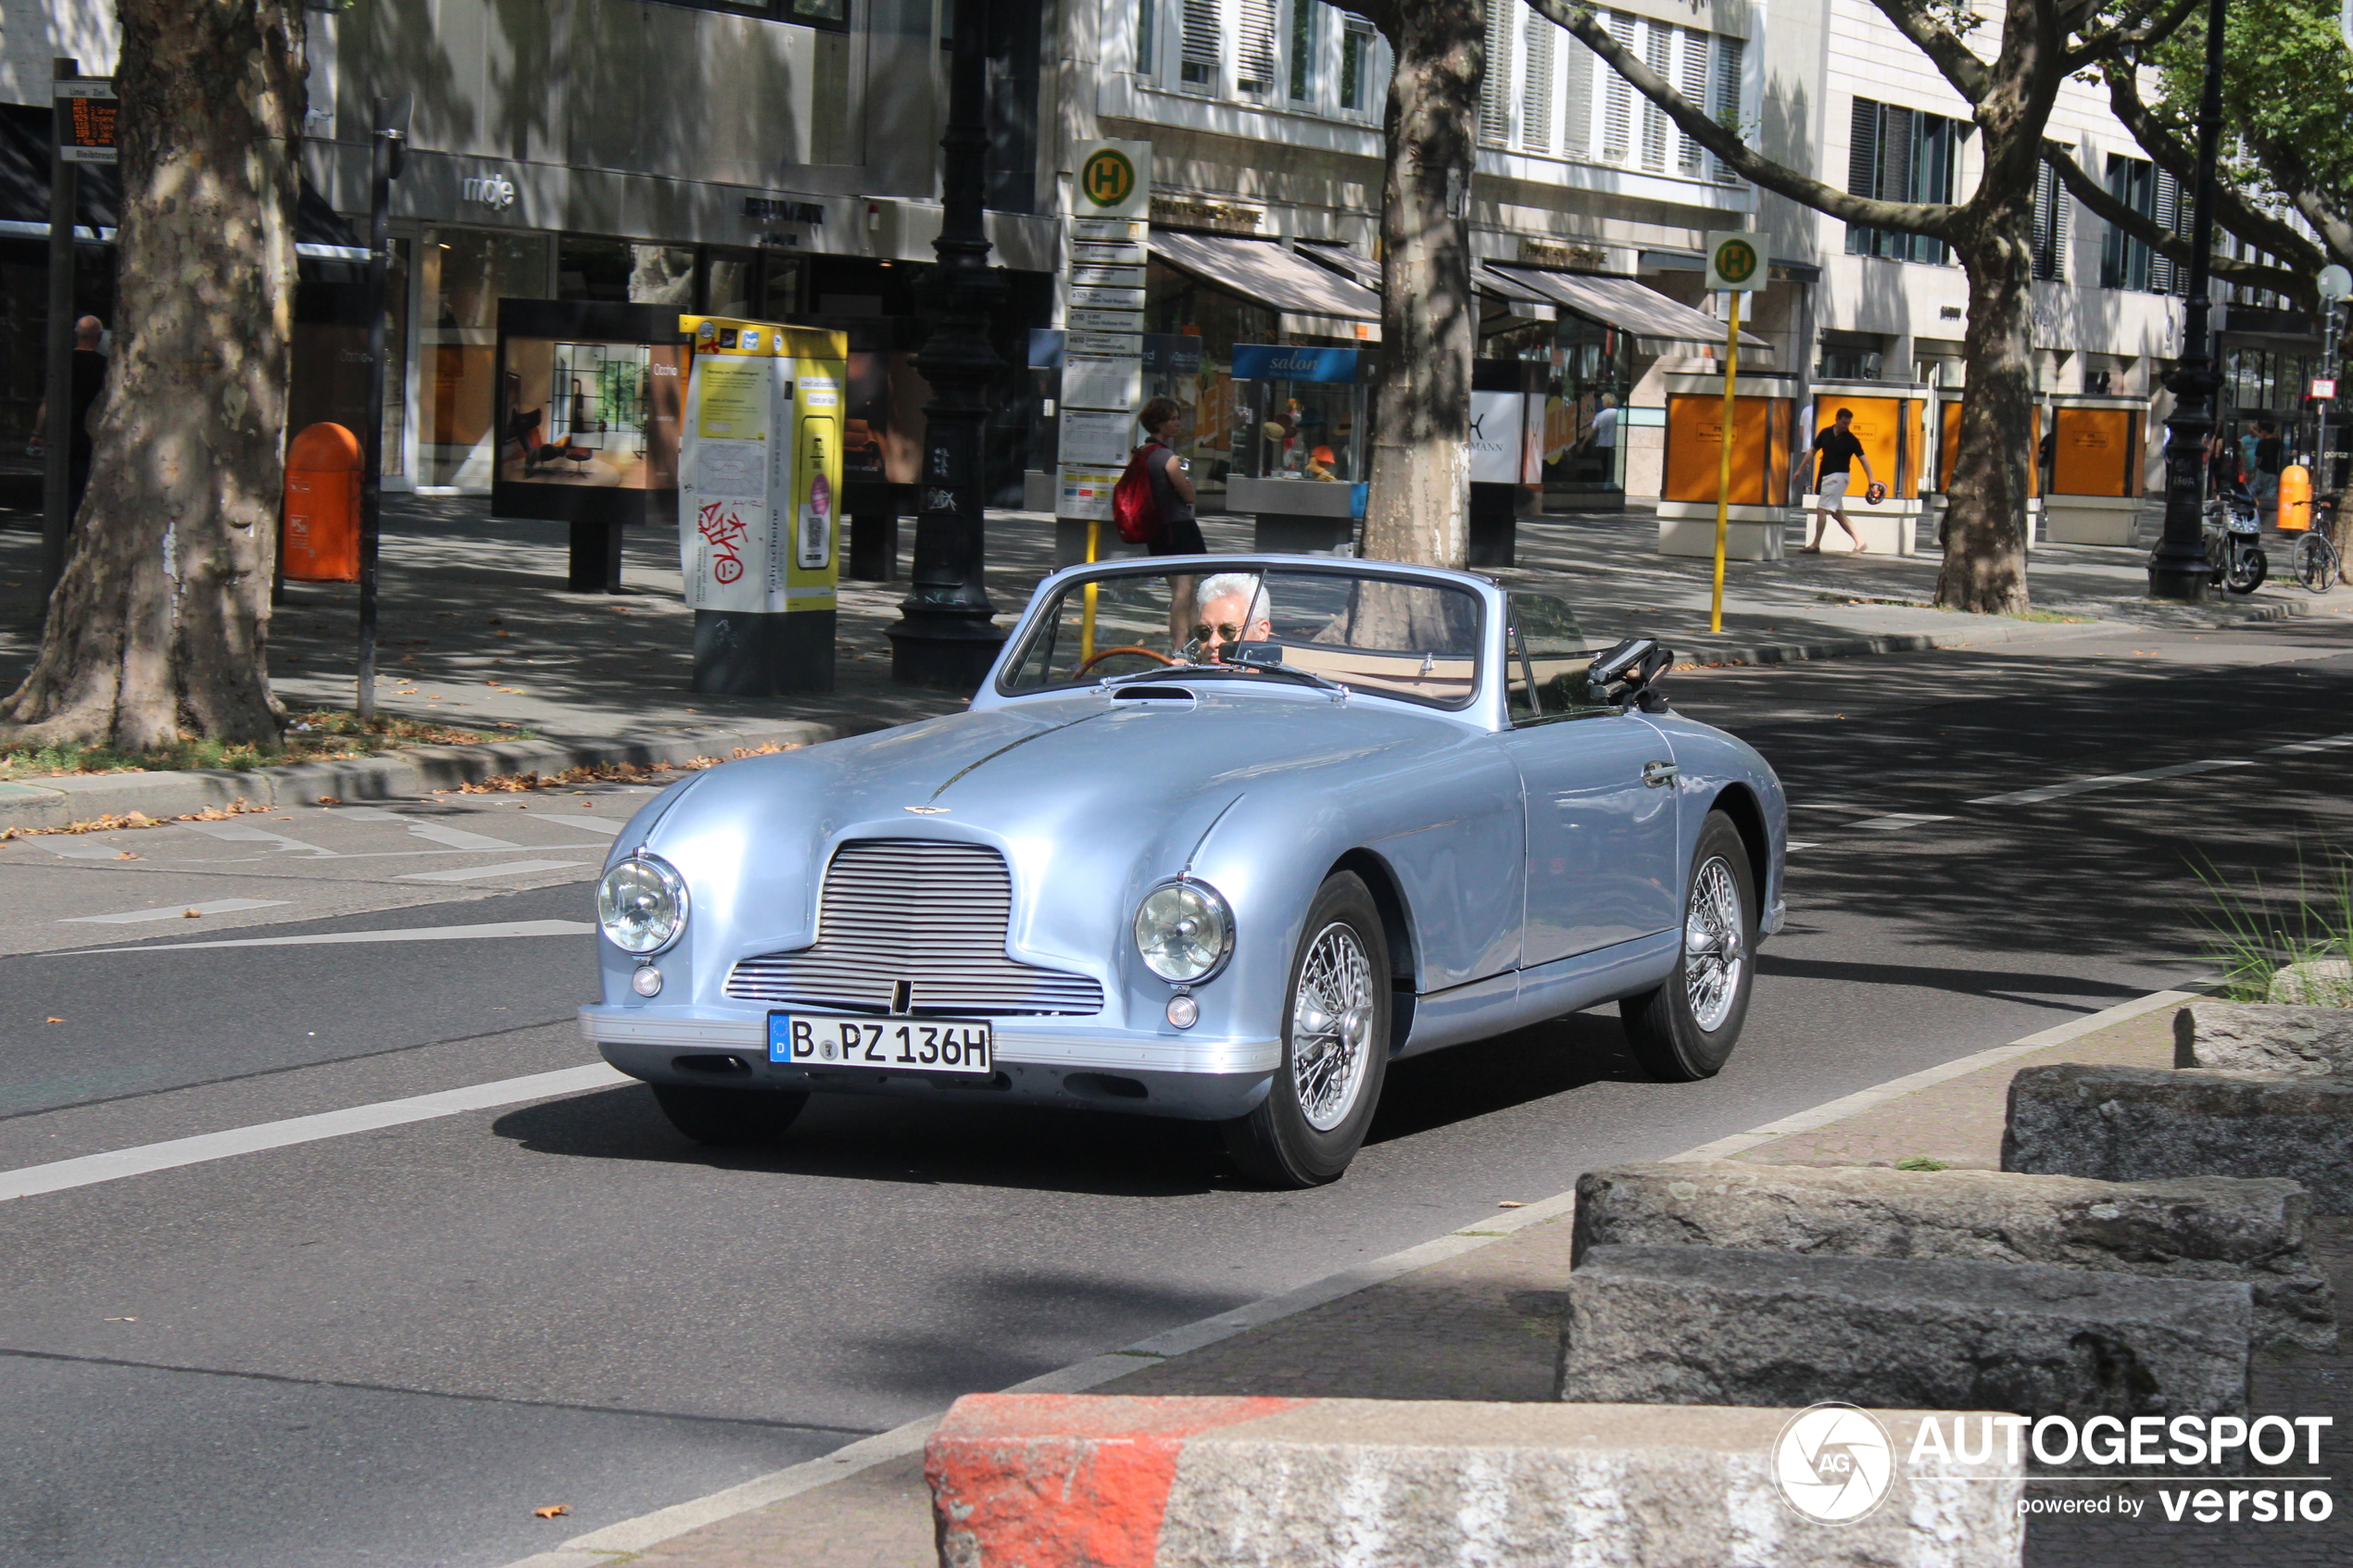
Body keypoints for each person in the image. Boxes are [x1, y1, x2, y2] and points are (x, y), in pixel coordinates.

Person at [30, 316, 107, 524]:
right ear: (99, 337)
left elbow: (48, 402)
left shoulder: (62, 364)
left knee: (58, 485)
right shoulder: (105, 366)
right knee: (80, 486)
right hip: (89, 434)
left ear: (76, 335)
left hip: (61, 433)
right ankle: (74, 524)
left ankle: (58, 524)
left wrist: (37, 433)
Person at [1135, 395, 1204, 556]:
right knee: (1184, 579)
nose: (1178, 423)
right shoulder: (1166, 456)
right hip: (1178, 527)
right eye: (1172, 419)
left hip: (1155, 528)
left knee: (1172, 577)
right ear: (1158, 422)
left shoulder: (1142, 452)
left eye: (1178, 418)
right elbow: (1189, 496)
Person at [1803, 407, 1876, 553]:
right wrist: (1800, 469)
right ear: (1837, 420)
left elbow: (1864, 461)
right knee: (1837, 513)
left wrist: (1871, 481)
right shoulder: (1825, 433)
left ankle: (1816, 544)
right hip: (1826, 476)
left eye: (1848, 423)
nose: (1846, 426)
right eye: (1844, 423)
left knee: (1821, 508)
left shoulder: (1851, 440)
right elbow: (1812, 451)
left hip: (1839, 477)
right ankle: (1860, 542)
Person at [1185, 571, 1272, 662]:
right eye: (1203, 631)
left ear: (1262, 632)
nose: (1212, 643)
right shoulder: (1184, 674)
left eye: (1227, 631)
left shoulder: (1283, 676)